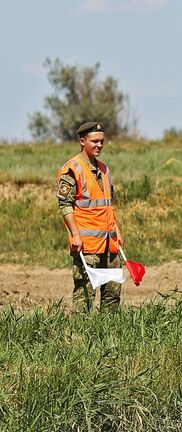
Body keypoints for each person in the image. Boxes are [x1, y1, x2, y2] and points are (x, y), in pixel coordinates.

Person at [58, 121, 124, 311]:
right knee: (85, 292)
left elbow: (108, 205)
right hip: (86, 244)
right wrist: (75, 235)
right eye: (94, 141)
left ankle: (109, 333)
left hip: (109, 243)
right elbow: (65, 205)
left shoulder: (104, 169)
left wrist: (117, 232)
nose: (99, 146)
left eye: (102, 142)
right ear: (82, 141)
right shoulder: (72, 169)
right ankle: (81, 334)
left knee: (113, 291)